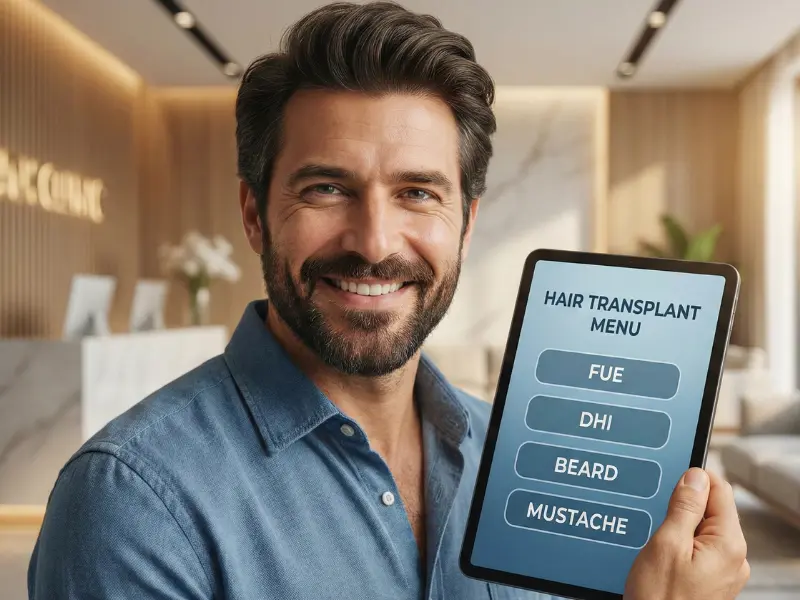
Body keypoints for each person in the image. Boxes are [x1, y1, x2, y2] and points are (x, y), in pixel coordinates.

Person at [28, 2, 749, 599]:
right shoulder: (130, 502)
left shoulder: (521, 457)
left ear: (465, 224)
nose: (374, 242)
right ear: (253, 214)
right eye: (327, 188)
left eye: (417, 193)